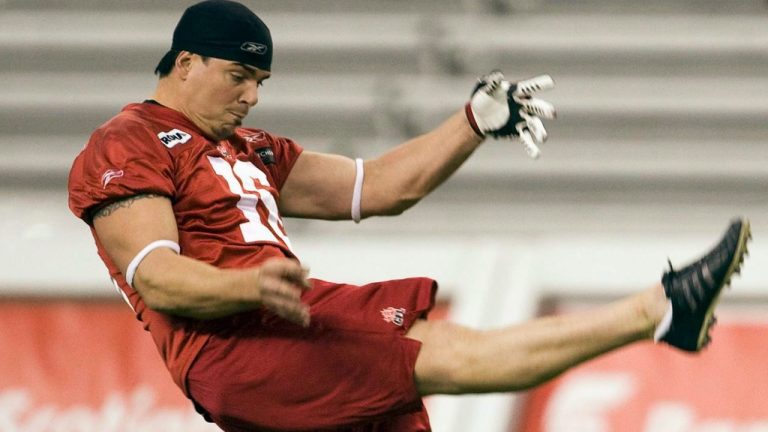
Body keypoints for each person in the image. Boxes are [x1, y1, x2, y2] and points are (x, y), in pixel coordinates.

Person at [67, 1, 752, 431]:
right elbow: (156, 275)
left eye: (260, 84)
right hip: (238, 348)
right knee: (458, 355)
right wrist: (249, 286)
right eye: (238, 78)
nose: (250, 97)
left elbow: (380, 188)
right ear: (185, 63)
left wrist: (473, 123)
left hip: (284, 325)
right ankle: (660, 311)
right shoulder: (127, 141)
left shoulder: (250, 147)